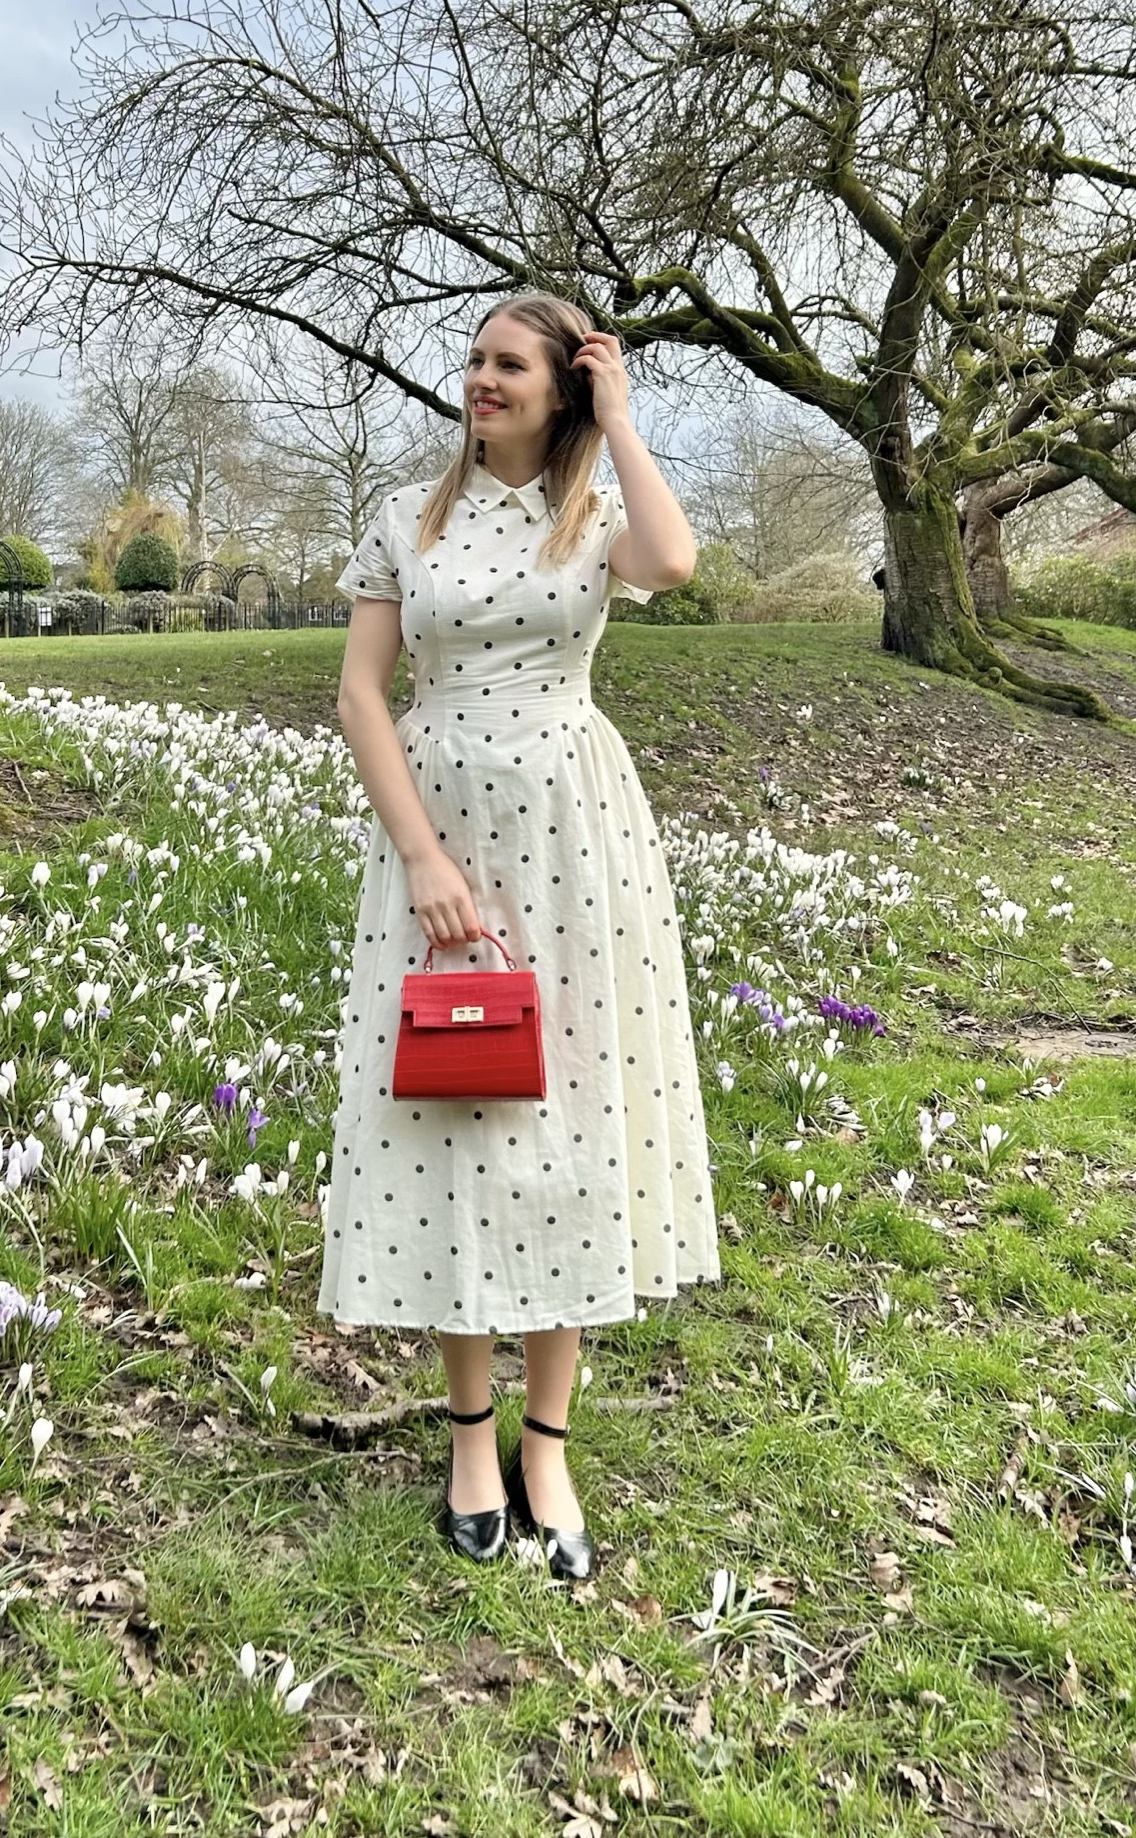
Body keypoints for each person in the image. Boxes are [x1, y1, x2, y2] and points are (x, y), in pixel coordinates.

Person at [318, 291, 722, 1580]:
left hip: (571, 835)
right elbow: (360, 695)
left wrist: (623, 420)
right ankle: (471, 1434)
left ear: (560, 389)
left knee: (571, 1124)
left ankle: (548, 1438)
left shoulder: (594, 513)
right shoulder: (409, 518)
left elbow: (673, 565)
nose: (482, 380)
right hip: (444, 844)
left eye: (511, 365)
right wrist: (423, 858)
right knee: (457, 1123)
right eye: (476, 361)